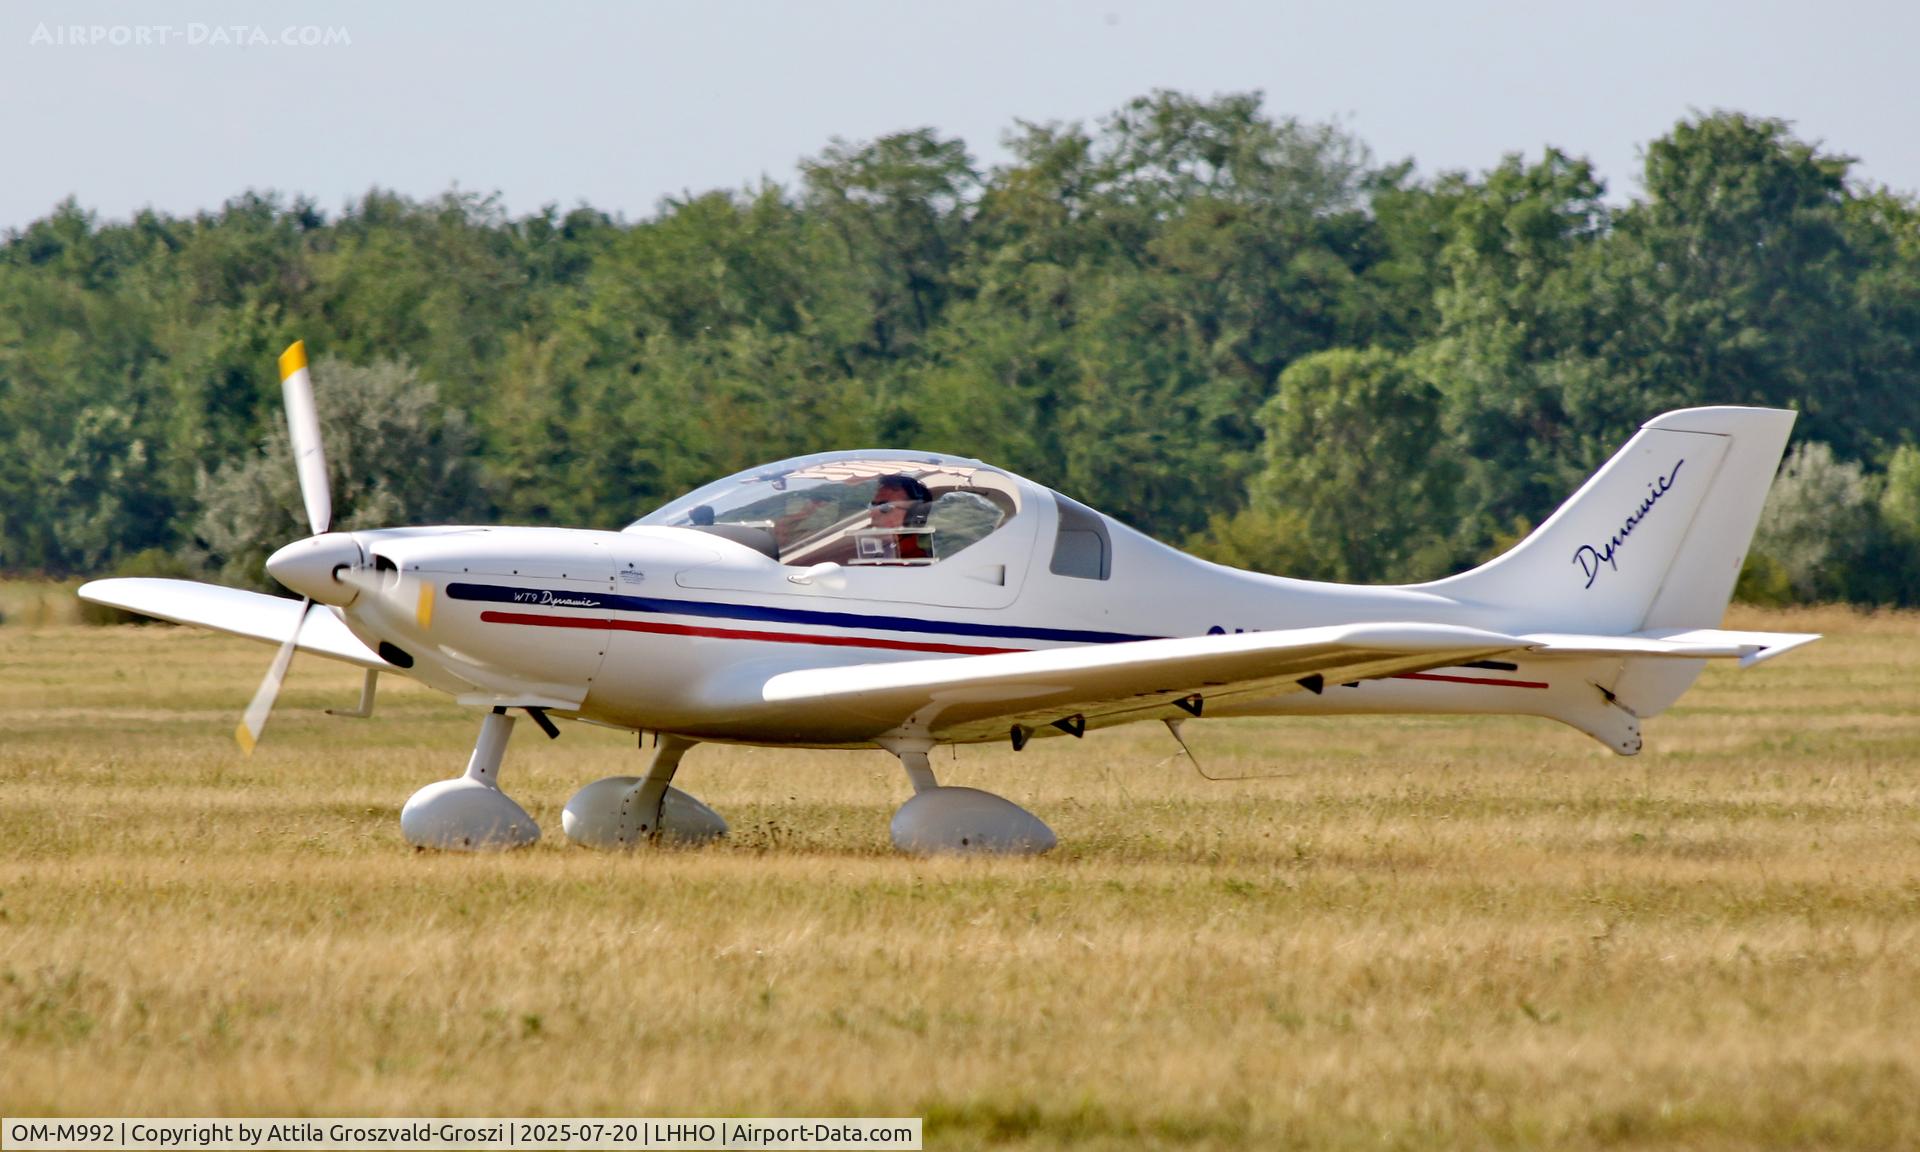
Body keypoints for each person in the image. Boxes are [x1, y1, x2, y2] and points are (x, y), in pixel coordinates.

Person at [866, 474, 933, 561]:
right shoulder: (870, 552)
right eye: (873, 506)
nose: (872, 514)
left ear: (913, 517)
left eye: (885, 507)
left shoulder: (916, 563)